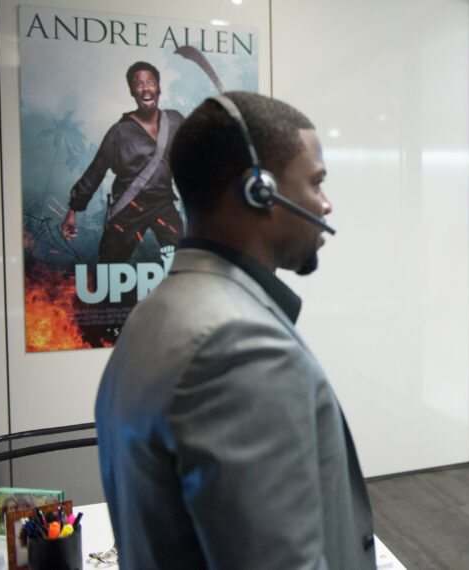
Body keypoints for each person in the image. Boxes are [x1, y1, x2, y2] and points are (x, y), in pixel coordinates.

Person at [95, 92, 376, 569]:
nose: (325, 206)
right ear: (258, 191)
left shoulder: (157, 313)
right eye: (315, 183)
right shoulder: (238, 346)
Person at [62, 61, 184, 266]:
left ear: (158, 88)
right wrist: (74, 209)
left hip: (163, 203)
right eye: (139, 84)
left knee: (184, 260)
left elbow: (196, 152)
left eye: (151, 82)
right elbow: (96, 170)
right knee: (111, 265)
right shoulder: (119, 132)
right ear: (132, 91)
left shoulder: (174, 120)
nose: (146, 88)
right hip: (129, 206)